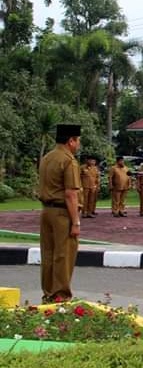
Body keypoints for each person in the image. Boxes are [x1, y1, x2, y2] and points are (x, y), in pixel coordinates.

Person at [38, 124, 82, 303]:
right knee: (64, 255)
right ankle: (61, 296)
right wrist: (76, 222)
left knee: (48, 254)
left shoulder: (47, 157)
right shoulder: (68, 160)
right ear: (71, 140)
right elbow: (71, 193)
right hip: (62, 213)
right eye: (77, 141)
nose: (78, 144)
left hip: (46, 211)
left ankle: (48, 293)